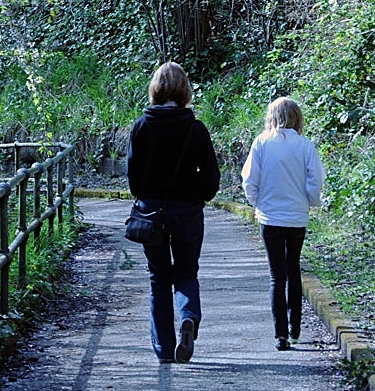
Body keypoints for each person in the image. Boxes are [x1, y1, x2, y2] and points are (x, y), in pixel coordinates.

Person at [126, 61, 221, 364]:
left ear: (155, 88)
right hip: (188, 211)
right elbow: (210, 177)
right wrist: (198, 196)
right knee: (186, 273)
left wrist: (147, 196)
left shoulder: (141, 126)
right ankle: (188, 316)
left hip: (151, 213)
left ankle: (164, 350)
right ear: (185, 90)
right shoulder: (195, 128)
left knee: (158, 278)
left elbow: (133, 178)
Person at [240, 96, 325, 351]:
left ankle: (281, 335)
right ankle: (295, 328)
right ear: (297, 117)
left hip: (270, 217)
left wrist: (257, 202)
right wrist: (310, 202)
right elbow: (315, 181)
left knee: (276, 275)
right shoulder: (305, 145)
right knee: (294, 269)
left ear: (272, 117)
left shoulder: (262, 142)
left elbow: (249, 179)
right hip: (296, 217)